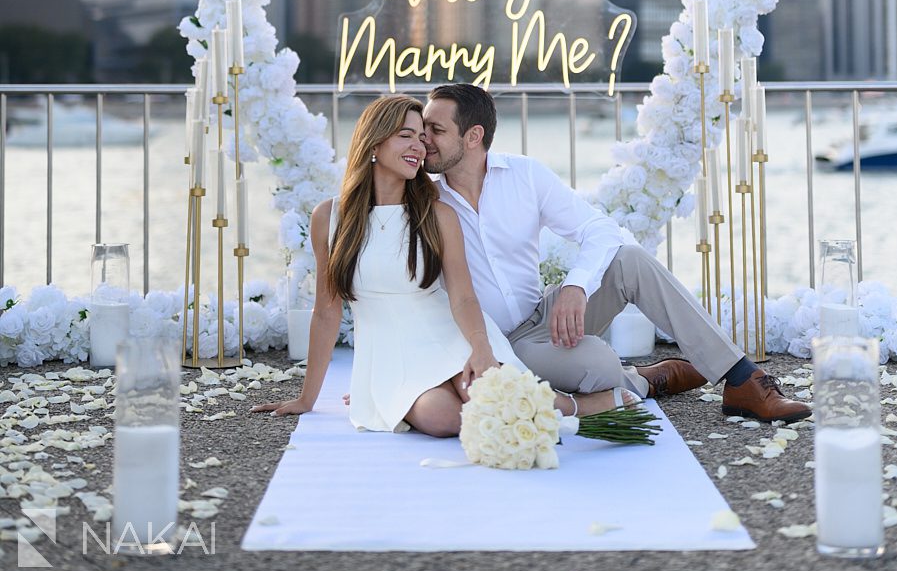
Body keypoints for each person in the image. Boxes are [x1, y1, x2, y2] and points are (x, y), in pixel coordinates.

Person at [421, 83, 812, 425]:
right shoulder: (423, 198)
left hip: (545, 316)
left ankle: (741, 379)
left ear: (473, 136)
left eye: (435, 130)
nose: (424, 139)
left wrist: (576, 286)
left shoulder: (525, 175)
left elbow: (599, 229)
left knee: (630, 260)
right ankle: (645, 379)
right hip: (501, 345)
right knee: (601, 365)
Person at [251, 95, 635, 434]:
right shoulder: (329, 217)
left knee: (484, 393)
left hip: (450, 334)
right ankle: (559, 401)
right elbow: (326, 311)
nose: (420, 146)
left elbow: (464, 297)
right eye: (406, 135)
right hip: (390, 352)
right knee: (443, 419)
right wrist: (307, 399)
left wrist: (481, 348)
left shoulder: (437, 214)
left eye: (423, 137)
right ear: (374, 142)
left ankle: (576, 406)